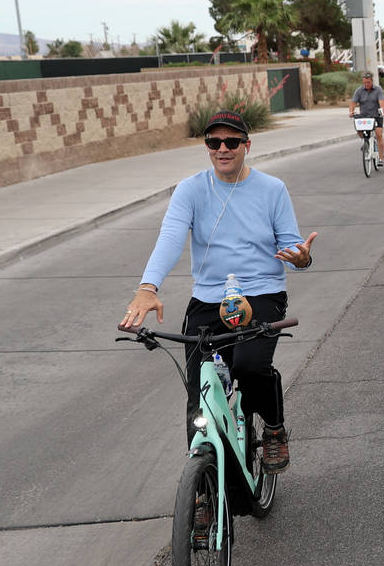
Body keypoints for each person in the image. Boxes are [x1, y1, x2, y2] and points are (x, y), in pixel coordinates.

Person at [120, 110, 318, 473]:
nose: (222, 149)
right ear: (207, 146)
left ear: (247, 144)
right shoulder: (191, 189)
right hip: (210, 297)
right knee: (199, 388)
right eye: (214, 142)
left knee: (248, 365)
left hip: (260, 294)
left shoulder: (272, 189)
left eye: (231, 142)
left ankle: (273, 427)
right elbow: (170, 238)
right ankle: (203, 487)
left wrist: (301, 259)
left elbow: (292, 249)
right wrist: (147, 288)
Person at [349, 71, 384, 167]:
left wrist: (382, 110)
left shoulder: (378, 90)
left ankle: (381, 158)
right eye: (364, 83)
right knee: (358, 129)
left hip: (376, 116)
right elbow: (353, 102)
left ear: (372, 81)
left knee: (379, 135)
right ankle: (366, 143)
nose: (366, 84)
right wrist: (351, 111)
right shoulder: (359, 91)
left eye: (368, 82)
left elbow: (381, 101)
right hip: (364, 116)